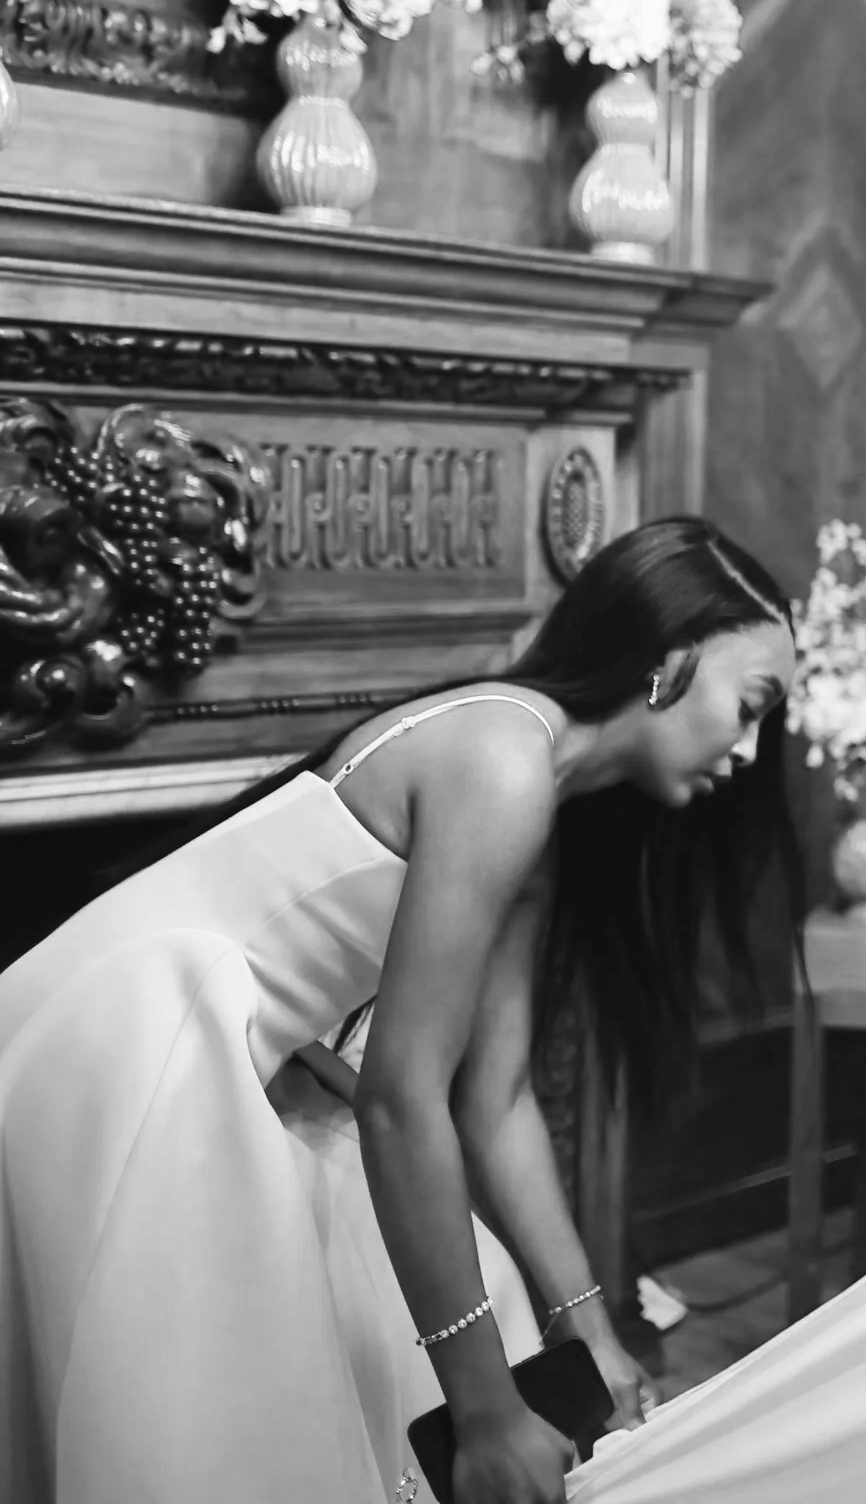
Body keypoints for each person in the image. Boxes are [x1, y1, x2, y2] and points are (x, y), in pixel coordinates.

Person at [0, 516, 801, 1504]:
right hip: (136, 1031)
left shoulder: (536, 802)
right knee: (207, 1426)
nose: (751, 747)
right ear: (668, 662)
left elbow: (496, 1100)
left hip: (241, 1051)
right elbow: (402, 1095)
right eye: (751, 704)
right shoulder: (501, 755)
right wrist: (486, 1414)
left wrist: (587, 1325)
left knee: (474, 1298)